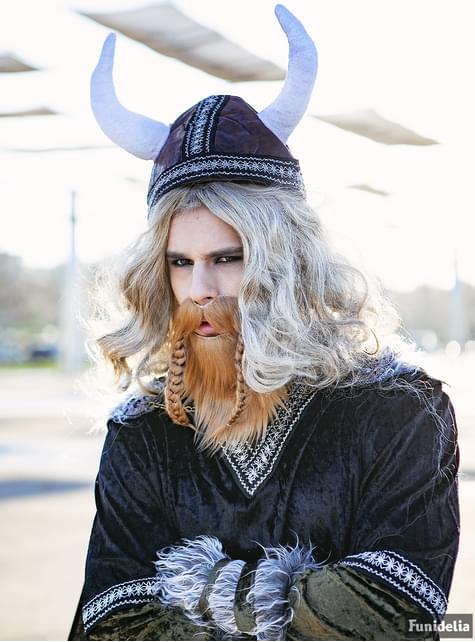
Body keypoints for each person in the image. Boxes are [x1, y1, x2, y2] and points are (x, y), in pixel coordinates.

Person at [69, 5, 459, 641]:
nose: (200, 289)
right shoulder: (142, 432)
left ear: (288, 261)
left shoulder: (398, 409)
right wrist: (294, 607)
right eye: (180, 262)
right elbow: (111, 623)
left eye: (228, 258)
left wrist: (203, 594)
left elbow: (397, 613)